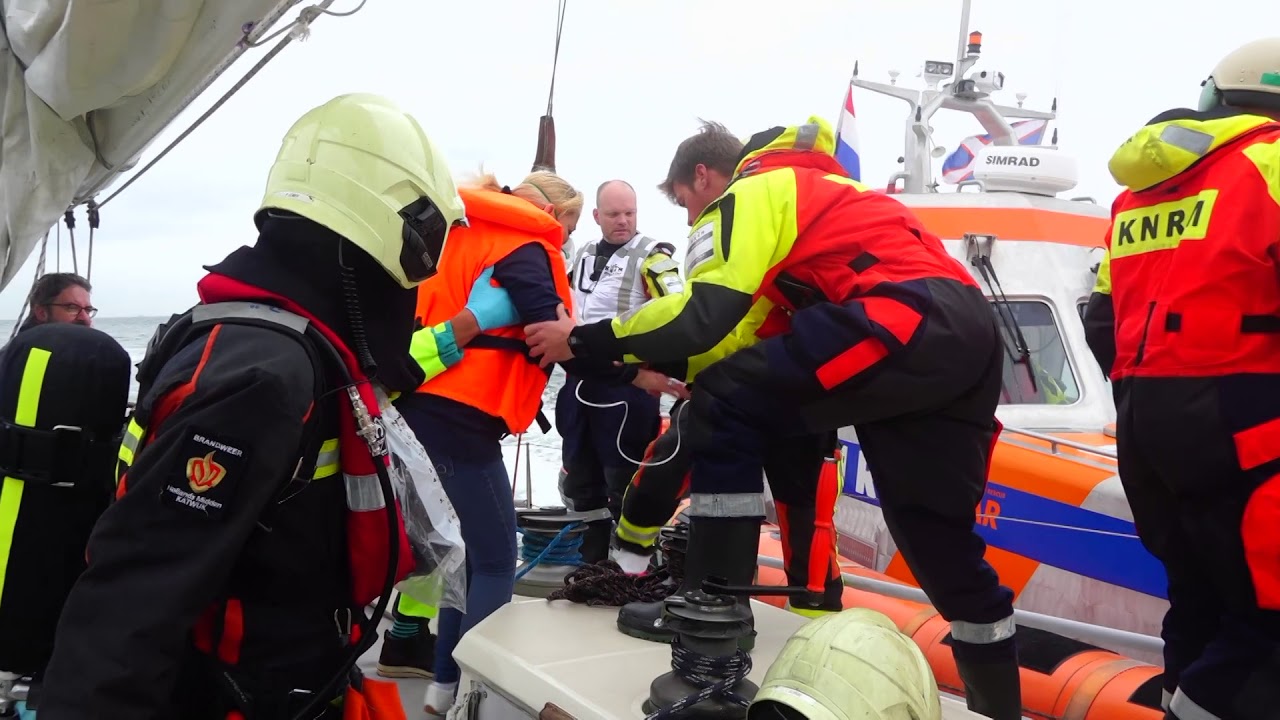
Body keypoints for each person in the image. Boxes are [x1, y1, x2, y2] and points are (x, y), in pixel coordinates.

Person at [526, 116, 1020, 719]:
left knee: (726, 398)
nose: (687, 219)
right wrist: (644, 366)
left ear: (706, 178)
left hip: (898, 316)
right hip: (966, 335)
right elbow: (749, 335)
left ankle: (712, 615)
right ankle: (1000, 709)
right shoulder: (844, 199)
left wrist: (583, 342)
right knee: (936, 542)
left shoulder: (756, 191)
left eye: (684, 201)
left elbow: (704, 318)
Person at [38, 92, 465, 720]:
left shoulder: (303, 349)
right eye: (425, 242)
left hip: (300, 678)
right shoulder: (262, 375)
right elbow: (135, 592)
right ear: (383, 225)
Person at [396, 170, 684, 716]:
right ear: (558, 214)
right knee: (498, 563)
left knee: (467, 564)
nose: (567, 237)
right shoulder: (526, 249)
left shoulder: (460, 235)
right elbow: (559, 339)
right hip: (462, 421)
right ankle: (473, 698)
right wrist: (637, 378)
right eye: (570, 223)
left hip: (423, 410)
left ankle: (440, 690)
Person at [1082, 38, 1280, 720]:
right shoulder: (1272, 162)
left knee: (1197, 603)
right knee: (1267, 628)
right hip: (1248, 420)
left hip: (1147, 424)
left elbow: (1101, 321)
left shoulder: (1136, 196)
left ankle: (1178, 697)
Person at [558, 179, 683, 562]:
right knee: (580, 480)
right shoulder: (581, 256)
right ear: (597, 216)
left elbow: (680, 318)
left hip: (627, 395)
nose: (623, 221)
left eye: (629, 213)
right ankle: (587, 563)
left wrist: (658, 376)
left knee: (622, 483)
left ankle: (626, 567)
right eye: (614, 214)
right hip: (579, 386)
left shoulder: (655, 257)